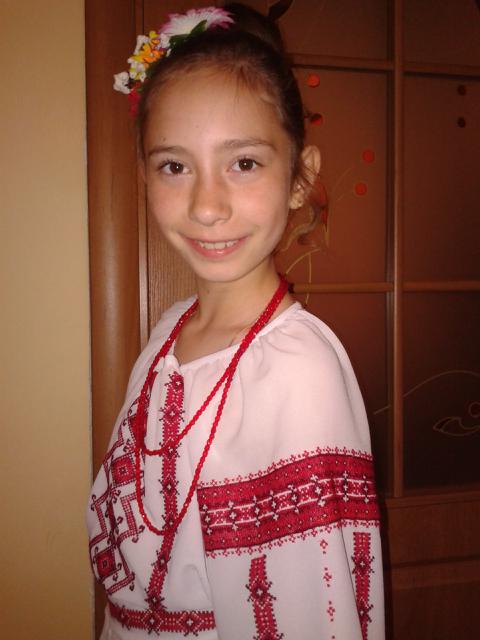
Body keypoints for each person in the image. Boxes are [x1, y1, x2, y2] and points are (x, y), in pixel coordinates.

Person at [88, 4, 385, 639]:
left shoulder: (296, 371)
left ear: (300, 177)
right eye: (174, 166)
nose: (206, 205)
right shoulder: (168, 334)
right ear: (144, 175)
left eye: (243, 163)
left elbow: (305, 611)